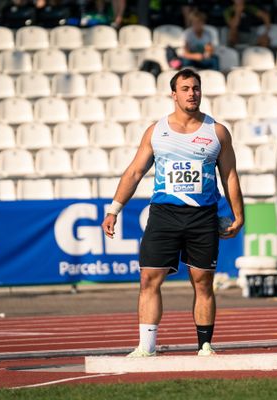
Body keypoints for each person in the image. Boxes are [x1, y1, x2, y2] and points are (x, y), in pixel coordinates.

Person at [101, 69, 244, 357]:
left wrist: (239, 215)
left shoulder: (216, 132)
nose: (192, 93)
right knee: (148, 279)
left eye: (196, 88)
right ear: (174, 94)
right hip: (164, 215)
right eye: (186, 88)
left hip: (202, 216)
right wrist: (114, 210)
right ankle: (146, 347)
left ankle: (204, 346)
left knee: (203, 281)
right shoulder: (157, 131)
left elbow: (229, 176)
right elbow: (135, 171)